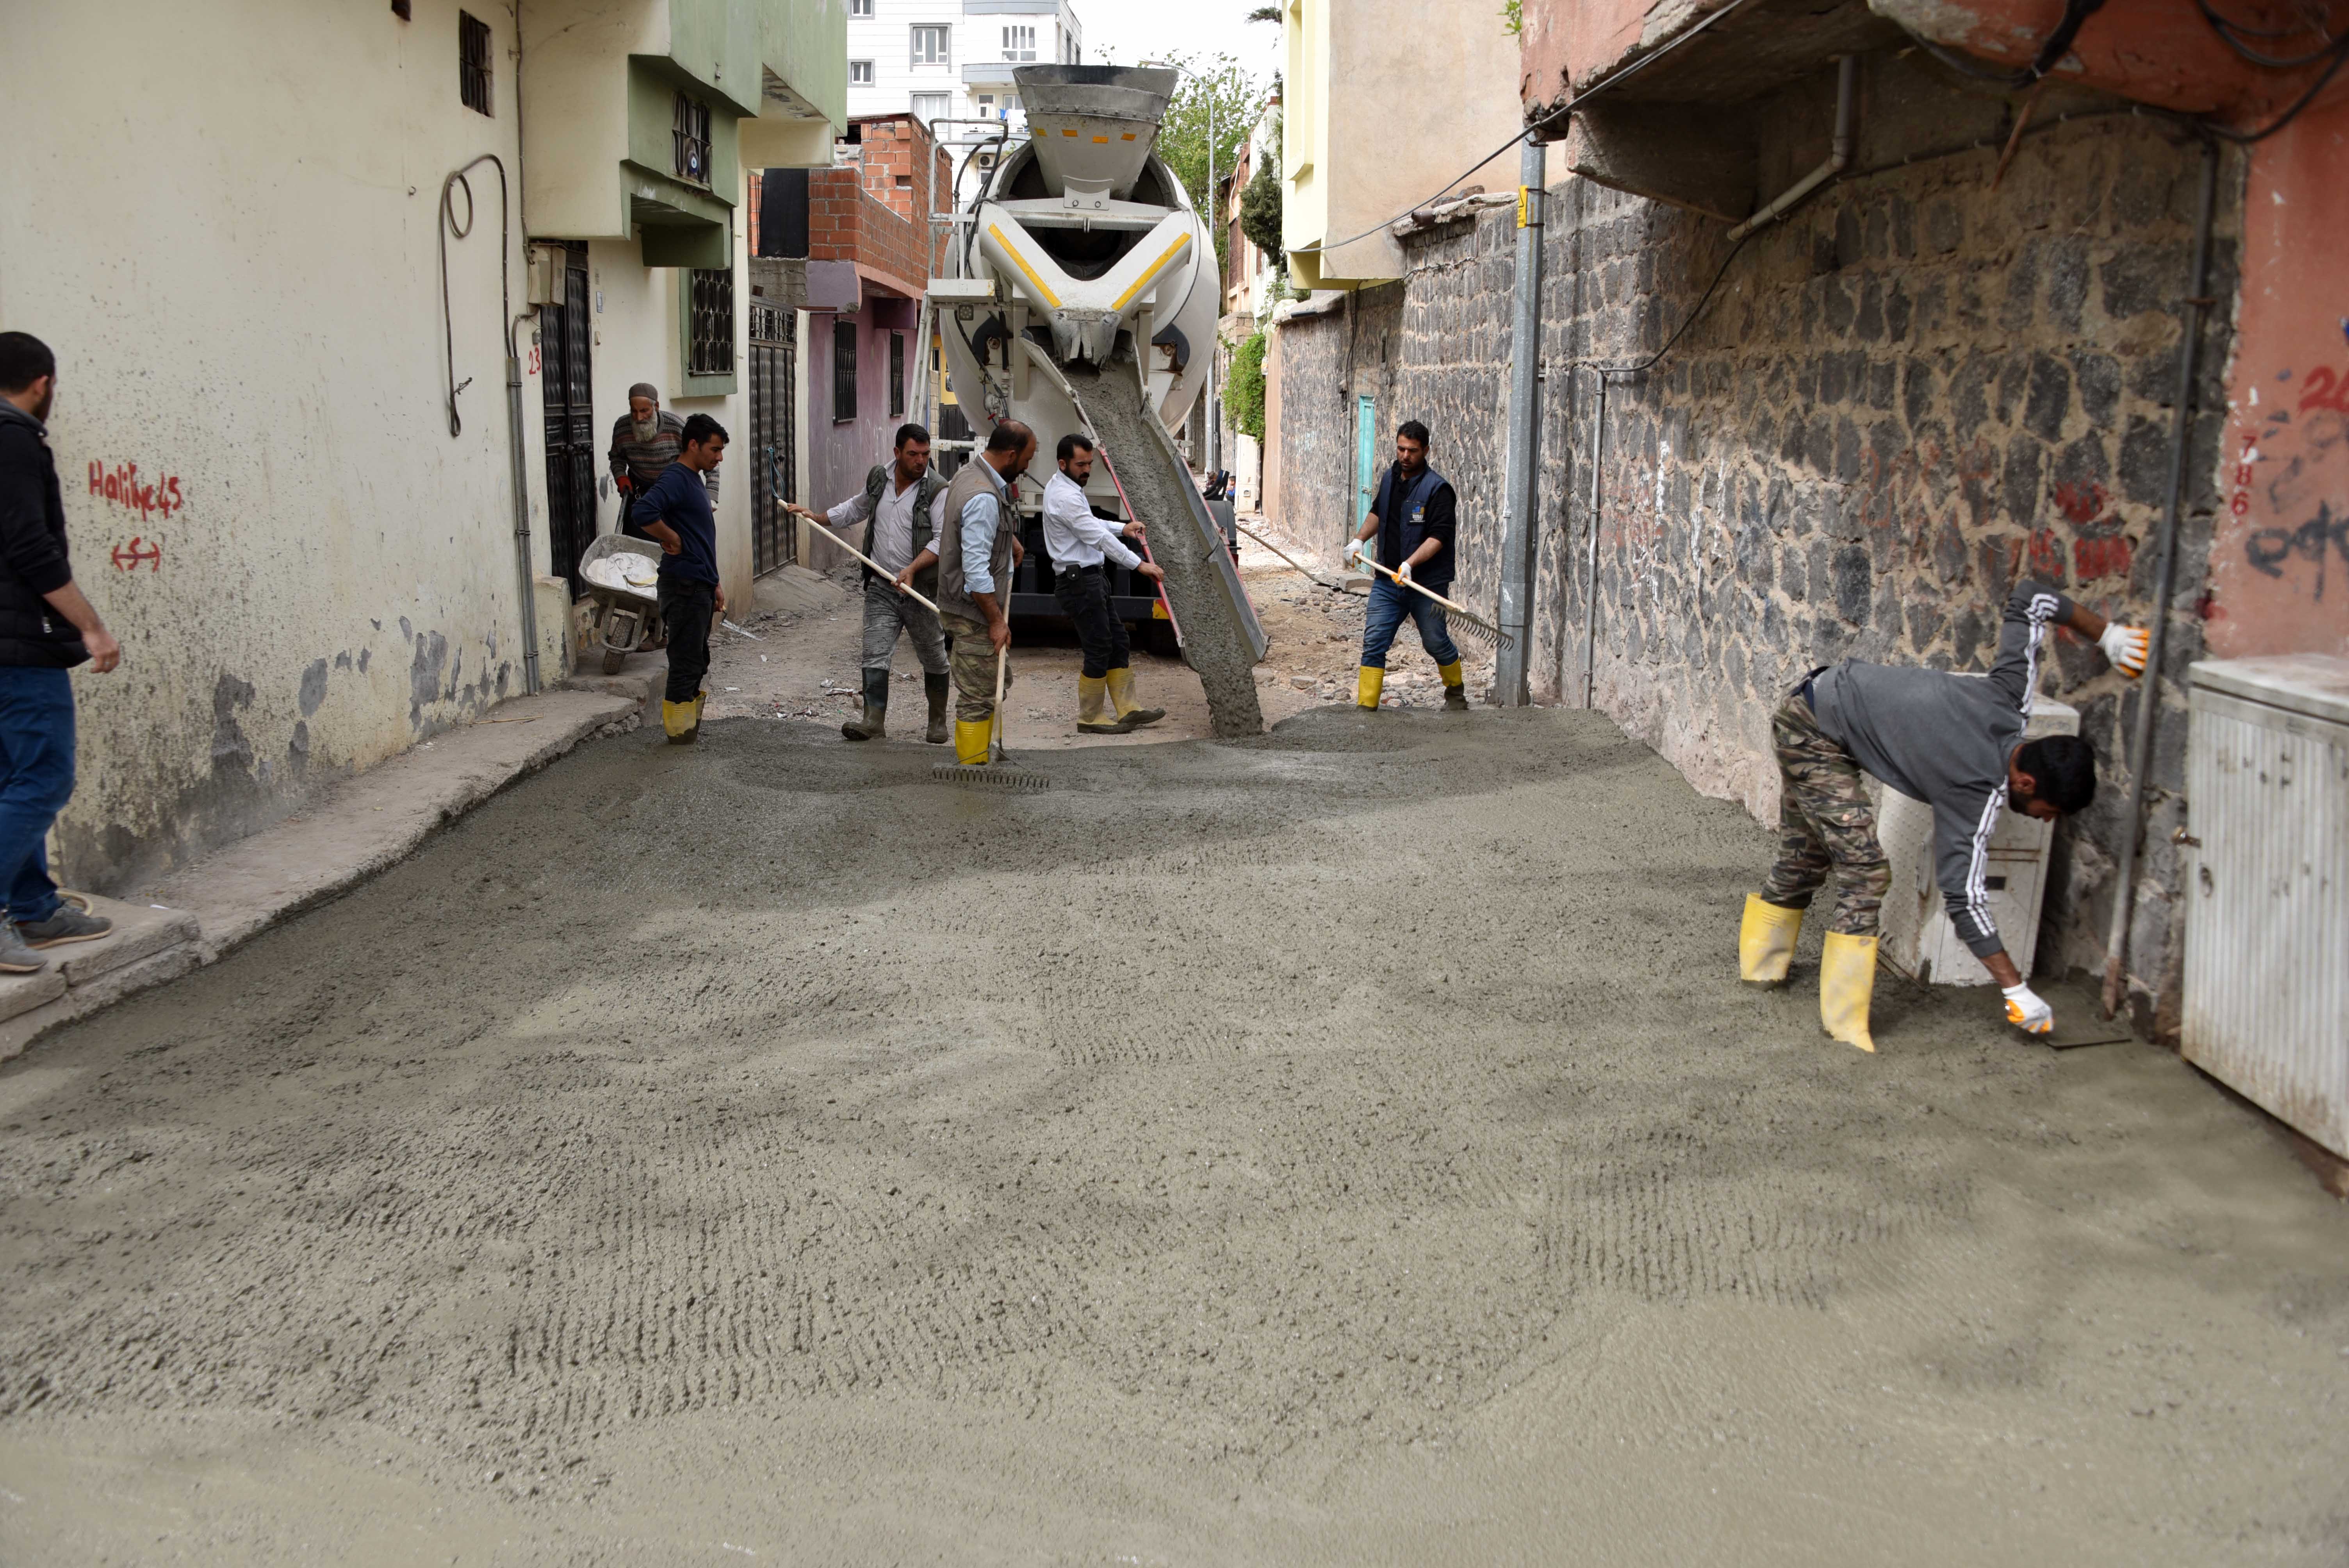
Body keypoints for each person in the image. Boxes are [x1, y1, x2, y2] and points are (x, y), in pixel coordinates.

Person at [1737, 578, 2150, 1052]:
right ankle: (1844, 1021)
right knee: (1866, 868)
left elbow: (2028, 601)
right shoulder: (1970, 791)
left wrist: (2108, 635)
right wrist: (2015, 988)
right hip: (1810, 730)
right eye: (2048, 811)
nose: (2045, 821)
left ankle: (1760, 970)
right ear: (2027, 783)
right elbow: (1965, 897)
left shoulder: (2011, 699)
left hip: (1820, 700)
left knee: (1807, 854)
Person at [0, 332, 121, 973]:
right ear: (43, 384)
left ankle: (34, 909)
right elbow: (30, 546)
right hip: (19, 649)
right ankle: (17, 911)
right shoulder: (15, 439)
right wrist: (91, 628)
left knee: (13, 781)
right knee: (45, 777)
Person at [784, 423, 953, 744]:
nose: (921, 461)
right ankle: (873, 720)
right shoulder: (880, 478)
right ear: (897, 453)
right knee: (874, 652)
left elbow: (942, 540)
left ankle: (937, 722)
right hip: (881, 584)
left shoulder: (937, 490)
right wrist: (817, 517)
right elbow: (857, 508)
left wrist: (912, 570)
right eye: (914, 454)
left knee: (933, 655)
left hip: (920, 590)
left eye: (926, 455)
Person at [905, 420, 1033, 769]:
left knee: (993, 680)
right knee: (978, 691)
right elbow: (976, 570)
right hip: (974, 610)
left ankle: (990, 755)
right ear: (1011, 455)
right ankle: (974, 773)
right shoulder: (984, 497)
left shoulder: (971, 474)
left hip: (969, 604)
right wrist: (995, 620)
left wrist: (1009, 542)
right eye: (1027, 459)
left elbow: (972, 532)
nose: (1028, 467)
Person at [1042, 433, 1165, 735]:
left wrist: (1122, 528)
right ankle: (1090, 717)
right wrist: (1140, 565)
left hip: (1090, 579)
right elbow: (1095, 536)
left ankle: (1128, 709)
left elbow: (1090, 521)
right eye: (1080, 464)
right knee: (1098, 647)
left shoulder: (1067, 487)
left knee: (1118, 641)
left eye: (1090, 463)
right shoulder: (1065, 496)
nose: (1087, 470)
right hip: (1079, 583)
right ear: (1063, 463)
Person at [1343, 420, 1467, 712]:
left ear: (1425, 450)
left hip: (1426, 584)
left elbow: (1439, 536)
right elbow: (1378, 512)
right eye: (1401, 449)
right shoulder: (1390, 478)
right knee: (1374, 642)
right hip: (1388, 581)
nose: (1405, 456)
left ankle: (1456, 693)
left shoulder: (1439, 490)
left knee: (1436, 642)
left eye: (1412, 450)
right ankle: (1366, 708)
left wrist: (1410, 564)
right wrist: (1359, 540)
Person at [633, 413, 729, 745]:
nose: (719, 457)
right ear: (693, 445)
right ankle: (678, 742)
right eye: (715, 450)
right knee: (686, 662)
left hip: (699, 584)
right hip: (684, 585)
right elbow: (643, 512)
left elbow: (702, 537)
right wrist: (670, 537)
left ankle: (687, 734)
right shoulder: (676, 477)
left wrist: (715, 583)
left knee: (697, 659)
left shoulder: (695, 479)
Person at [609, 384, 694, 539]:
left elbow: (704, 456)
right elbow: (616, 457)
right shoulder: (622, 427)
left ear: (656, 406)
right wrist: (620, 476)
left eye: (644, 411)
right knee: (636, 552)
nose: (639, 418)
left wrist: (711, 495)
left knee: (674, 547)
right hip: (640, 494)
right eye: (634, 411)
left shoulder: (677, 426)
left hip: (673, 494)